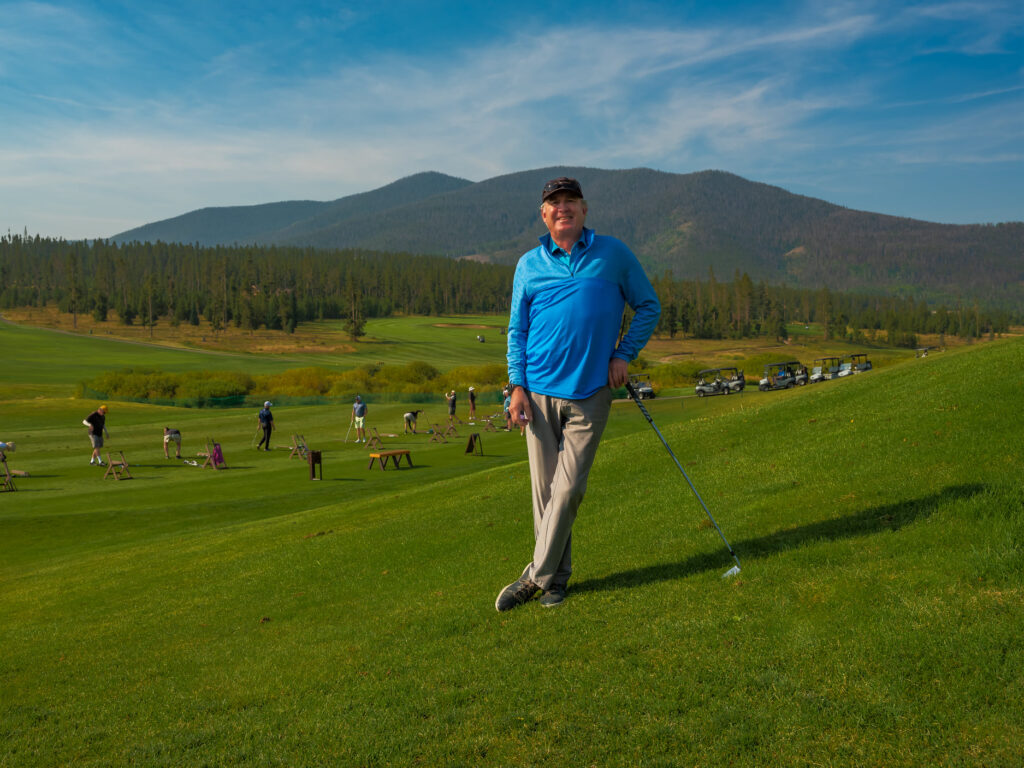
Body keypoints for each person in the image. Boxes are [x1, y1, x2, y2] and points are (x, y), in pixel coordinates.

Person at [495, 176, 660, 612]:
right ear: (543, 215)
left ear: (584, 210)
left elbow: (649, 306)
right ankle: (556, 582)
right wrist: (516, 387)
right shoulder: (528, 265)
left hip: (590, 392)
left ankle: (532, 578)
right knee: (545, 495)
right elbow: (517, 331)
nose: (562, 207)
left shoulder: (613, 254)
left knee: (567, 491)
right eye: (554, 203)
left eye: (571, 201)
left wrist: (624, 353)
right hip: (537, 393)